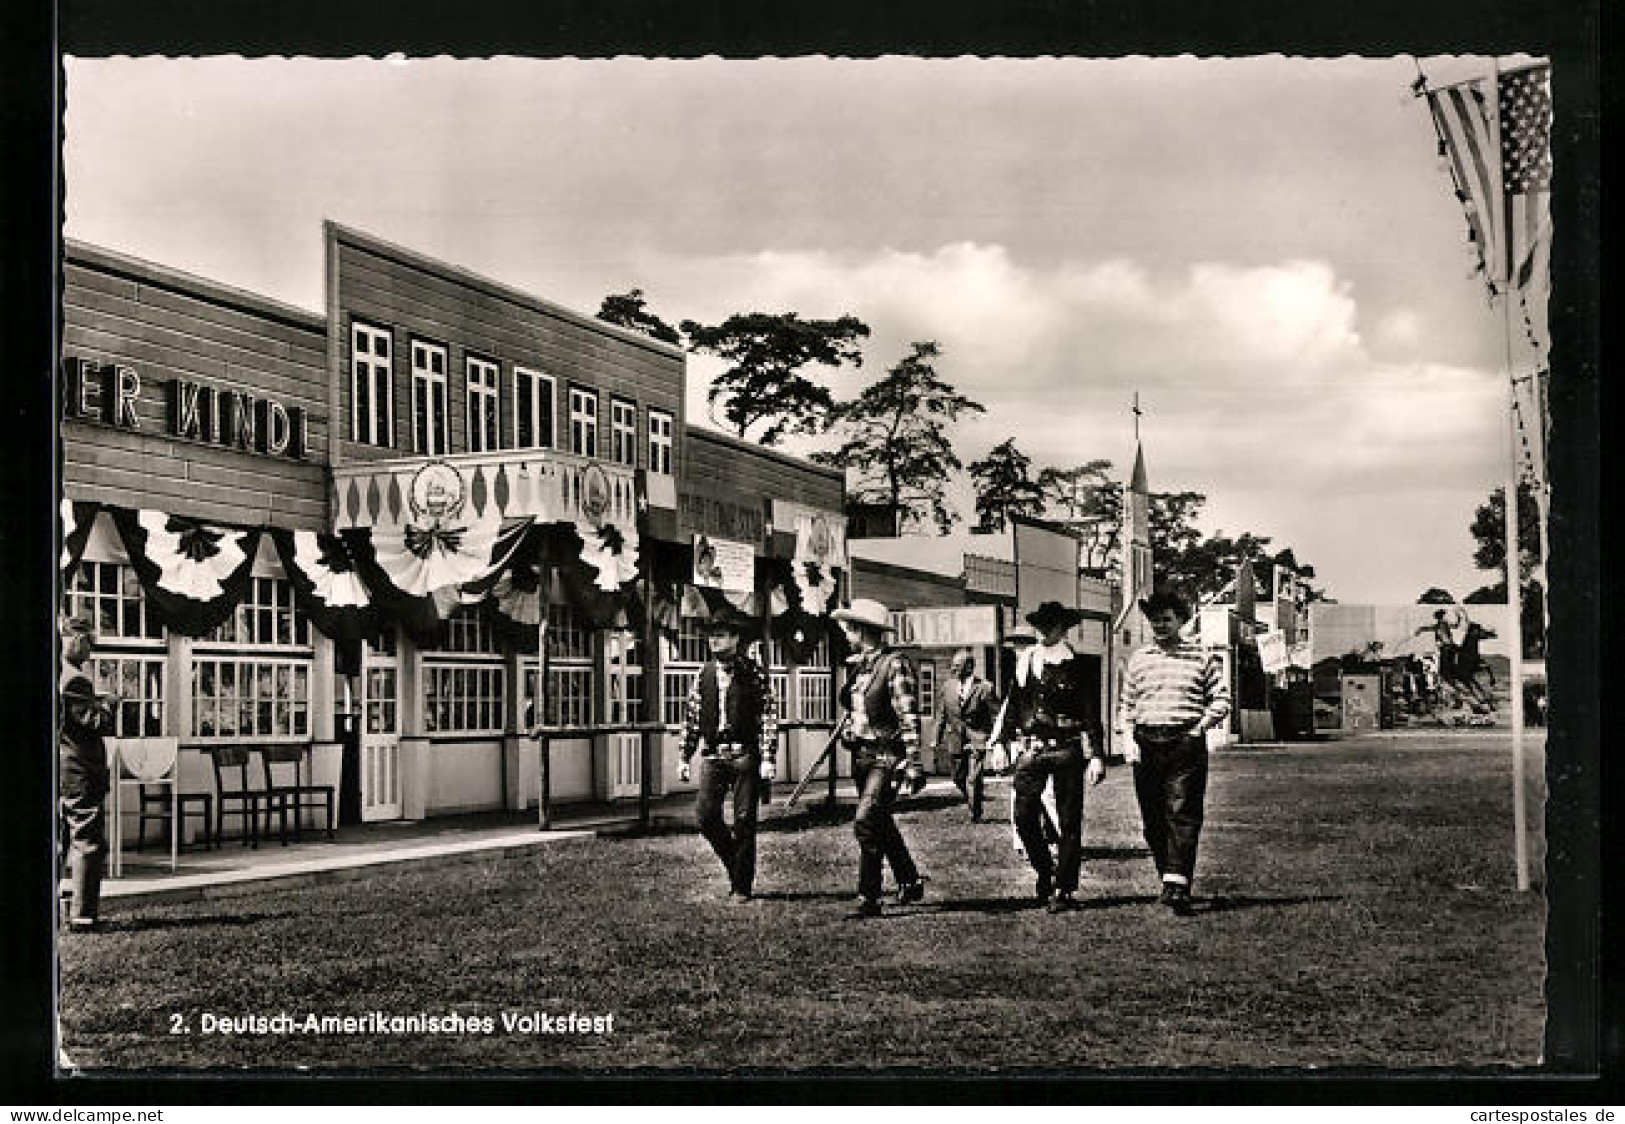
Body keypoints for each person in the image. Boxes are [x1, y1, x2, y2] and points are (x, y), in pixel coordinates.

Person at [1117, 588, 1231, 916]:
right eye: (1155, 620)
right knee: (1152, 819)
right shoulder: (1139, 659)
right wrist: (1128, 739)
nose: (1160, 625)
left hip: (1185, 743)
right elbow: (1127, 704)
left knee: (1182, 811)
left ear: (1180, 620)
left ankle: (1178, 884)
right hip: (1146, 743)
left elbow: (1221, 698)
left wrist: (1200, 726)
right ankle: (1169, 876)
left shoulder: (1200, 656)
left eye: (1166, 619)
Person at [1005, 601, 1107, 913]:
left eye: (1050, 625)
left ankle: (1064, 887)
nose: (1043, 631)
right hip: (1033, 748)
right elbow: (1014, 705)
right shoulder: (1026, 663)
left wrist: (1097, 756)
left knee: (1067, 820)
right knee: (1023, 817)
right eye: (1039, 625)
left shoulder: (1079, 665)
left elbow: (1091, 713)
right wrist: (1002, 741)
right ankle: (1045, 872)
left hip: (1067, 748)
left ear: (1063, 629)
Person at [832, 598, 928, 919]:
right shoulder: (859, 667)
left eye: (849, 627)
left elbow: (908, 717)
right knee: (879, 820)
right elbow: (859, 712)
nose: (846, 633)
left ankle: (869, 896)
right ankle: (910, 879)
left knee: (866, 820)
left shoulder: (895, 664)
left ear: (862, 629)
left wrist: (914, 762)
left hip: (887, 757)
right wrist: (850, 731)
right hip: (861, 756)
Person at [676, 606, 779, 902]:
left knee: (745, 820)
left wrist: (768, 757)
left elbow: (768, 717)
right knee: (705, 816)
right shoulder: (703, 674)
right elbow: (692, 717)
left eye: (720, 636)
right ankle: (737, 865)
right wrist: (684, 756)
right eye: (711, 636)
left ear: (735, 638)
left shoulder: (753, 673)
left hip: (744, 754)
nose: (714, 641)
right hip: (713, 755)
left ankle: (741, 887)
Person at [59, 615, 113, 932]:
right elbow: (95, 723)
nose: (90, 648)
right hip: (78, 768)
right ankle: (83, 914)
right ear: (74, 639)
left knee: (59, 839)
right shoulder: (74, 679)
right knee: (87, 839)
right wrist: (110, 706)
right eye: (88, 640)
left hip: (59, 766)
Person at [933, 648, 995, 821]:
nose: (953, 669)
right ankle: (972, 799)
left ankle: (975, 813)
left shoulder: (985, 688)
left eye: (957, 665)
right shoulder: (947, 687)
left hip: (977, 738)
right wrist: (935, 739)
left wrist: (993, 738)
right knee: (958, 777)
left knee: (973, 778)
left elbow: (995, 714)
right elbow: (941, 715)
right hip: (955, 739)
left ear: (969, 667)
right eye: (952, 665)